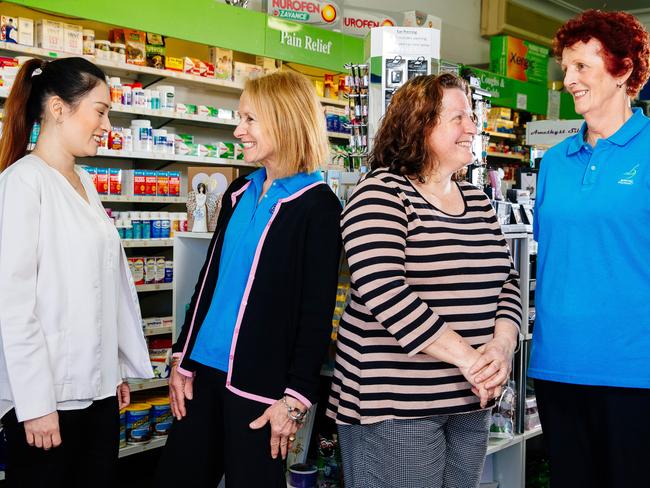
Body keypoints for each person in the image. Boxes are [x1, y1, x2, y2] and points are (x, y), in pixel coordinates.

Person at [327, 73, 522, 488]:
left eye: (471, 117)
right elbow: (385, 291)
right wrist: (471, 361)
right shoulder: (381, 193)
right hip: (395, 405)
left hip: (471, 399)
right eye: (458, 118)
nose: (472, 127)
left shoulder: (477, 200)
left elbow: (508, 282)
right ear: (420, 124)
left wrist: (501, 350)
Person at [155, 71, 342, 487]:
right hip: (200, 373)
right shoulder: (238, 193)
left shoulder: (318, 206)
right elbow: (208, 282)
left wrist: (296, 397)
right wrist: (182, 357)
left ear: (285, 119)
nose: (239, 131)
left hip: (261, 388)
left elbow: (316, 312)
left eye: (250, 120)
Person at [0, 57, 153, 487]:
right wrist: (35, 405)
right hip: (49, 403)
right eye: (101, 111)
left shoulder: (84, 181)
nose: (107, 125)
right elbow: (13, 307)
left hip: (97, 396)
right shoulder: (23, 184)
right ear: (58, 108)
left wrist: (113, 372)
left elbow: (100, 289)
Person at [529, 10, 650, 488]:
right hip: (557, 365)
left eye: (582, 66)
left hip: (633, 371)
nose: (568, 79)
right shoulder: (555, 163)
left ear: (623, 69)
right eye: (566, 67)